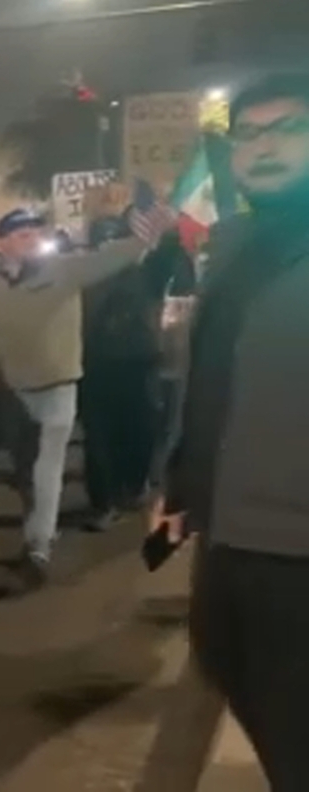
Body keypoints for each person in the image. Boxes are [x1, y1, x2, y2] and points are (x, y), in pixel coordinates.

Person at [153, 73, 309, 790]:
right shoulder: (238, 241)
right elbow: (213, 374)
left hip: (296, 553)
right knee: (246, 692)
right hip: (226, 539)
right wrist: (183, 481)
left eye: (288, 128)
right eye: (249, 133)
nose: (266, 145)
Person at [0, 204, 170, 588]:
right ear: (2, 242)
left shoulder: (62, 269)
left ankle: (39, 547)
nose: (32, 239)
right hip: (15, 393)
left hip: (58, 387)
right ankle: (36, 532)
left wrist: (144, 238)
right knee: (26, 473)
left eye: (35, 232)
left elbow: (109, 258)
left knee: (46, 467)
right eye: (22, 233)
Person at [78, 215, 190, 531]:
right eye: (103, 241)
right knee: (98, 439)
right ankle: (104, 502)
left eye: (114, 241)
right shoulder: (83, 276)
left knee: (139, 431)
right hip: (94, 365)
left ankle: (132, 486)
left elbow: (168, 258)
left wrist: (168, 230)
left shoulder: (146, 273)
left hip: (137, 363)